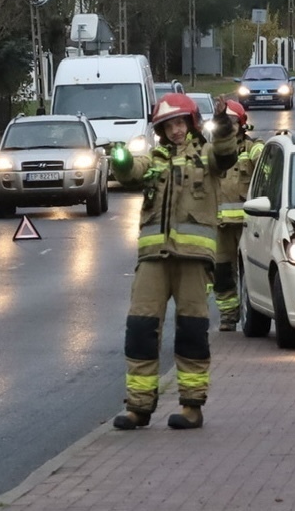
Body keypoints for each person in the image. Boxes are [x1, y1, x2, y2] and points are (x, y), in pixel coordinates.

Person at [110, 92, 237, 431]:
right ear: (161, 130)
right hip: (153, 258)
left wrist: (223, 123)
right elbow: (130, 174)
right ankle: (138, 406)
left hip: (194, 260)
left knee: (192, 332)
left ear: (191, 124)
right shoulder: (154, 159)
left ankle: (191, 406)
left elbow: (227, 154)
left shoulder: (206, 156)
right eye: (169, 126)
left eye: (180, 123)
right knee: (139, 329)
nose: (176, 131)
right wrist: (120, 160)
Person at [212, 100, 263, 332]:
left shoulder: (251, 148)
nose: (229, 126)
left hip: (247, 225)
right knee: (222, 273)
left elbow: (265, 164)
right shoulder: (212, 152)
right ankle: (228, 317)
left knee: (250, 272)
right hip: (221, 227)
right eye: (225, 122)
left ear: (241, 124)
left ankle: (254, 313)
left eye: (232, 122)